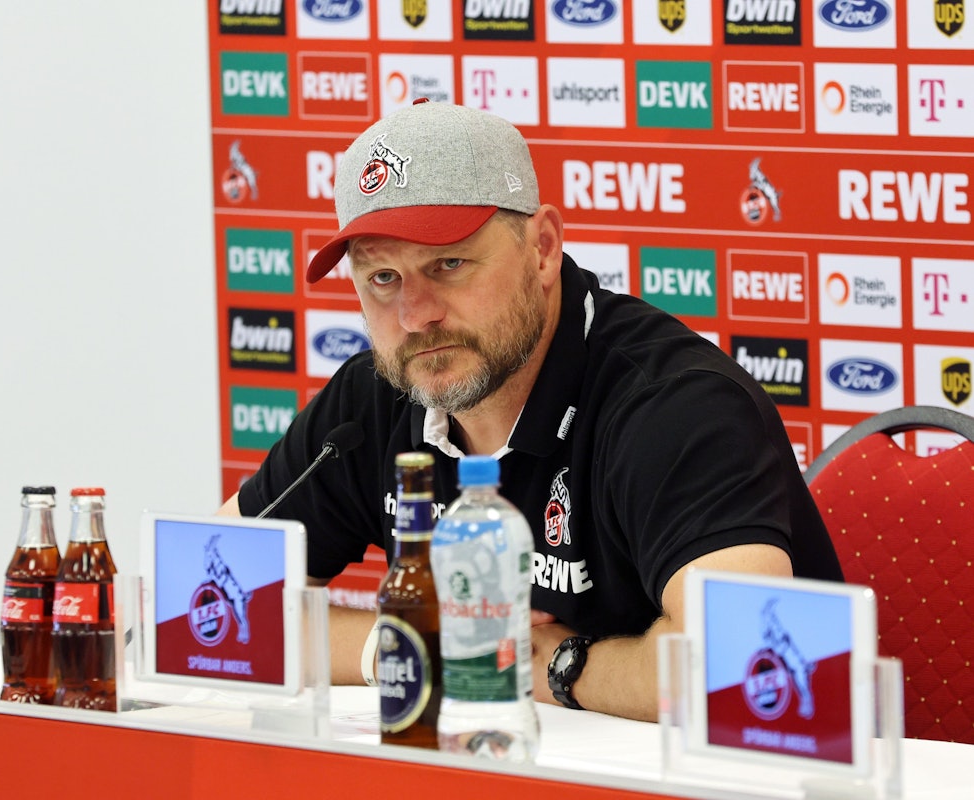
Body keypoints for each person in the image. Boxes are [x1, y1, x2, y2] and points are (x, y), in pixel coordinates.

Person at [218, 99, 843, 722]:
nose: (415, 315)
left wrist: (556, 665)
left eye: (449, 264)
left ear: (542, 247)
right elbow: (195, 605)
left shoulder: (677, 405)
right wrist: (416, 647)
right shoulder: (374, 400)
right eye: (382, 278)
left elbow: (739, 671)